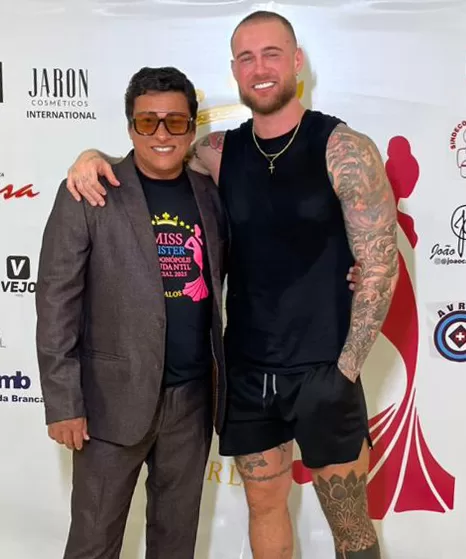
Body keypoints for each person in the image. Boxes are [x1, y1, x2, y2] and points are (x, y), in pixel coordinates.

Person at [65, 10, 398, 559]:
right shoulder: (217, 153)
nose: (259, 68)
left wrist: (345, 370)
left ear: (296, 62)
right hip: (247, 370)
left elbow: (380, 263)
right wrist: (90, 157)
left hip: (325, 368)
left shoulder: (344, 148)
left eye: (271, 54)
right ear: (235, 70)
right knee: (264, 507)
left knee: (351, 524)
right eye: (247, 58)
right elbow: (153, 156)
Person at [35, 66, 228, 559]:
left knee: (175, 543)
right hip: (108, 403)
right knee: (94, 542)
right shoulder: (90, 190)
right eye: (147, 121)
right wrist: (64, 402)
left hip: (191, 400)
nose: (162, 133)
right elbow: (56, 300)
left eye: (175, 121)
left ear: (191, 127)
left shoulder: (211, 194)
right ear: (130, 127)